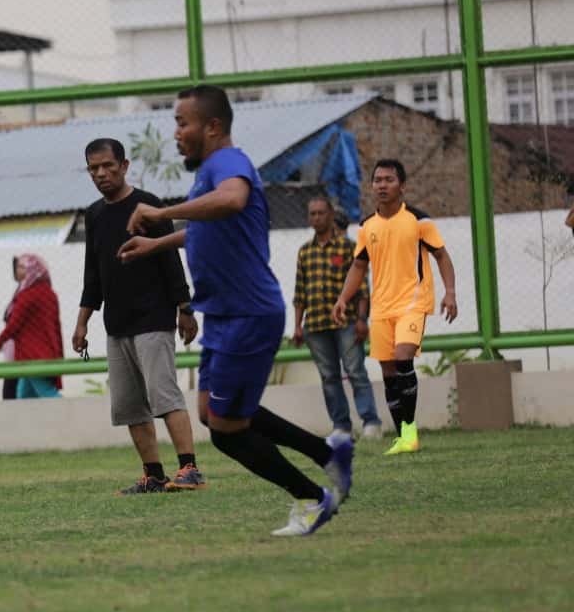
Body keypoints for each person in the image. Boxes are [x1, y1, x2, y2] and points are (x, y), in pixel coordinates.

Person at [120, 85, 353, 538]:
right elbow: (208, 230)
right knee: (213, 413)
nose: (176, 133)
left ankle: (311, 498)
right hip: (226, 315)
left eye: (182, 123)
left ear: (213, 127)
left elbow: (232, 201)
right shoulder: (211, 170)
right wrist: (157, 243)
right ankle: (329, 456)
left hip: (247, 313)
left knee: (227, 430)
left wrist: (162, 213)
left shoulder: (228, 163)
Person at [72, 137, 205, 496]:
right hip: (116, 324)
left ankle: (190, 468)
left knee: (164, 395)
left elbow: (170, 261)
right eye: (93, 168)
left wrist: (184, 309)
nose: (101, 174)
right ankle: (153, 475)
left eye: (107, 166)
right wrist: (83, 320)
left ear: (124, 166)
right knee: (130, 406)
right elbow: (93, 274)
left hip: (154, 318)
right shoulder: (95, 215)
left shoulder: (149, 207)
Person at [331, 159, 459, 455]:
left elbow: (442, 257)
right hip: (382, 308)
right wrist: (342, 298)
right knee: (388, 370)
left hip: (413, 303)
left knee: (403, 357)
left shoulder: (419, 220)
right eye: (377, 180)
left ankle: (410, 431)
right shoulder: (367, 226)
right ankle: (403, 435)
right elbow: (358, 266)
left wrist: (450, 292)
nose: (382, 185)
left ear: (402, 186)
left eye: (389, 180)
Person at [292, 195, 382, 440]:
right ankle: (341, 427)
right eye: (313, 214)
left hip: (347, 322)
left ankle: (371, 422)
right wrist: (297, 326)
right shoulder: (305, 252)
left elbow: (362, 287)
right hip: (316, 324)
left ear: (331, 215)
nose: (317, 218)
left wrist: (362, 319)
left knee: (355, 371)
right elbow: (300, 291)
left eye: (321, 213)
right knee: (329, 377)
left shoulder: (347, 247)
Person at [0, 253, 64, 399]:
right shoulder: (49, 293)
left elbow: (13, 326)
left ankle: (70, 418)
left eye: (22, 267)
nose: (18, 270)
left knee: (47, 393)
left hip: (32, 356)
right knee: (24, 396)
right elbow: (54, 327)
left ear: (32, 270)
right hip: (45, 353)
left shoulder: (26, 296)